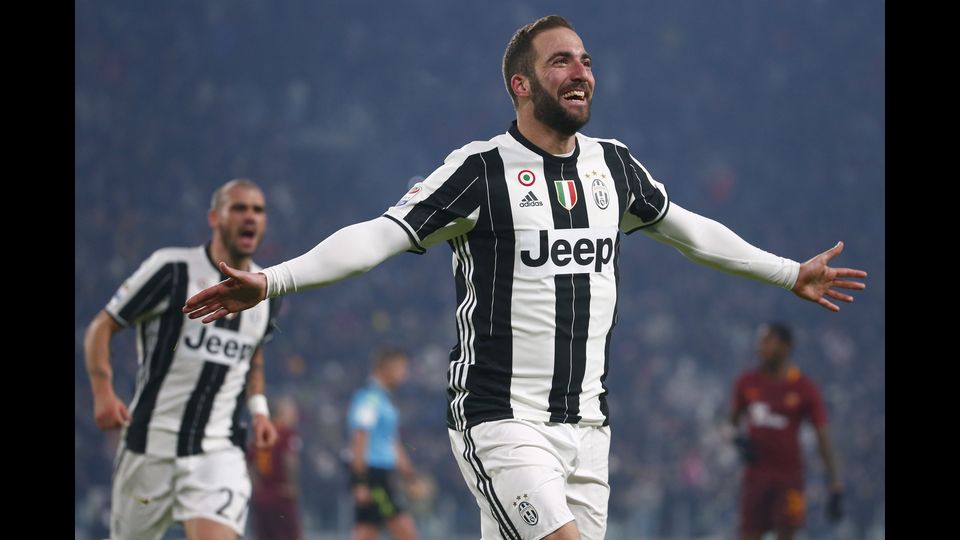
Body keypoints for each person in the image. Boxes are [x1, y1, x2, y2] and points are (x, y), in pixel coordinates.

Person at [182, 16, 867, 540]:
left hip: (588, 427)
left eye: (587, 61)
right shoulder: (479, 170)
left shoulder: (614, 167)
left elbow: (691, 232)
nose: (581, 72)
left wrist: (788, 273)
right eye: (561, 61)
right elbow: (376, 237)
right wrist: (274, 280)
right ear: (522, 83)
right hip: (499, 418)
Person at [84, 178, 282, 540]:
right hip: (148, 449)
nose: (250, 217)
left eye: (258, 210)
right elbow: (102, 326)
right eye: (239, 208)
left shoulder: (267, 290)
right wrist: (103, 393)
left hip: (216, 452)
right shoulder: (172, 269)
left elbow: (254, 354)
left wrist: (259, 410)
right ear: (214, 217)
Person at [728, 323, 844, 540]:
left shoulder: (804, 388)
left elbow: (822, 436)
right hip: (755, 477)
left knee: (787, 535)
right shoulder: (746, 382)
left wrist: (835, 482)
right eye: (760, 342)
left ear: (786, 347)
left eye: (767, 342)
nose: (761, 348)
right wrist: (738, 441)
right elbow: (731, 423)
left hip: (789, 477)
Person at [347, 347, 422, 540]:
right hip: (374, 476)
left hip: (382, 474)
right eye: (401, 368)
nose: (404, 375)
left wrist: (409, 475)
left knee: (366, 532)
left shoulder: (384, 401)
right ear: (385, 368)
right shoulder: (369, 399)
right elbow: (359, 438)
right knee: (405, 531)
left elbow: (391, 441)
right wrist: (360, 481)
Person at [248, 396, 304, 540]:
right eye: (291, 412)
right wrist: (292, 486)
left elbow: (250, 464)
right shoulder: (286, 434)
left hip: (262, 498)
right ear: (281, 414)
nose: (295, 416)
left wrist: (258, 487)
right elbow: (289, 461)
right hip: (281, 495)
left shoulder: (260, 434)